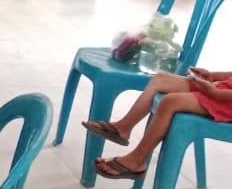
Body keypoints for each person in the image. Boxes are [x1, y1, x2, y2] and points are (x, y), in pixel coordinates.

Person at [82, 66, 232, 180]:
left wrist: (215, 93)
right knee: (161, 79)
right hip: (225, 88)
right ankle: (123, 127)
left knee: (170, 101)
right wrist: (212, 76)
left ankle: (137, 160)